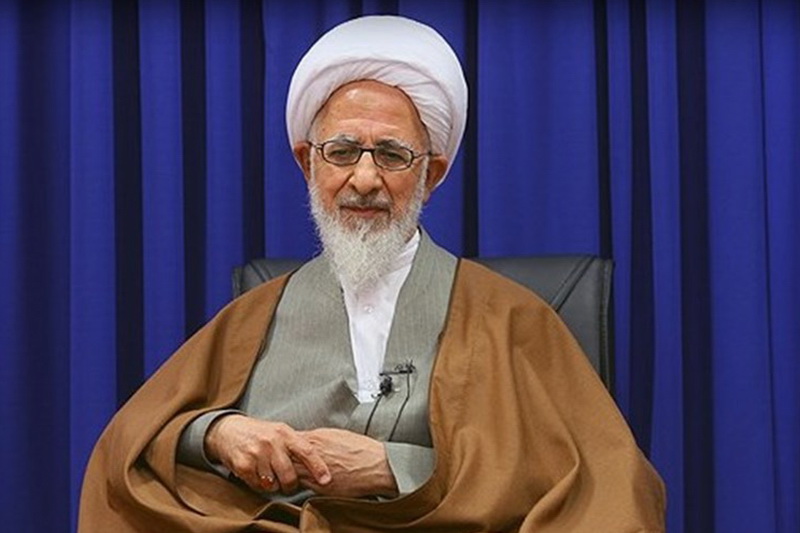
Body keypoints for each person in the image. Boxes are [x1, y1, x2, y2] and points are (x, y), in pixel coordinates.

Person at [79, 15, 665, 533]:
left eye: (391, 155)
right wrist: (215, 434)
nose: (364, 179)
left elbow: (597, 476)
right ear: (308, 163)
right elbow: (132, 445)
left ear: (431, 175)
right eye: (341, 152)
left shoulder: (513, 317)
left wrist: (395, 467)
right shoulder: (253, 317)